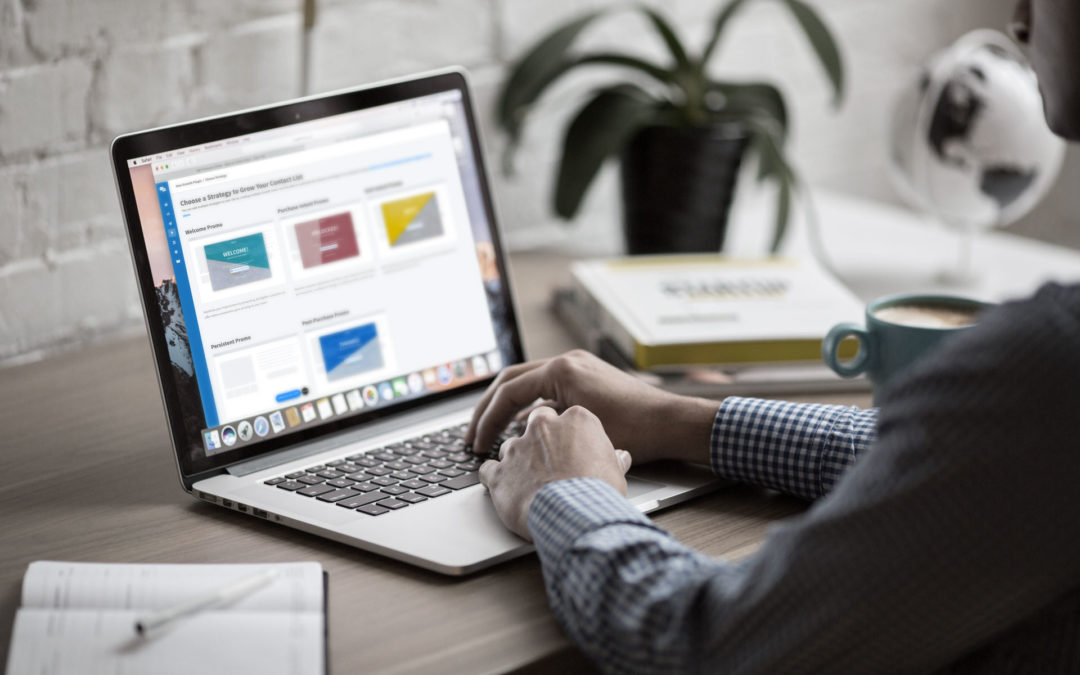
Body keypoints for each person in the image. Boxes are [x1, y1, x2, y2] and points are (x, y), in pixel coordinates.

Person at [466, 1, 1080, 671]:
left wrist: (564, 493)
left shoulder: (1051, 362)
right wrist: (678, 419)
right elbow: (968, 460)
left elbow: (704, 646)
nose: (1018, 18)